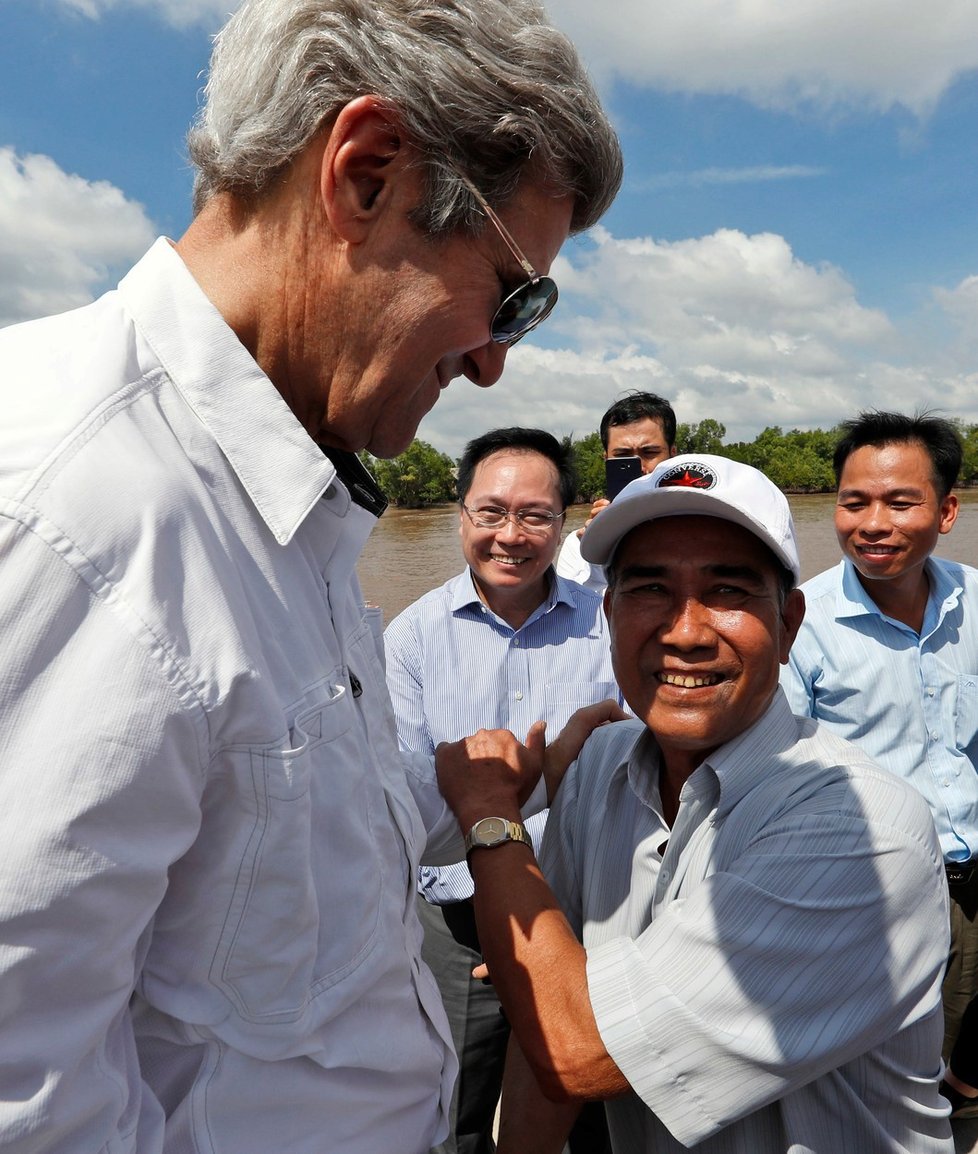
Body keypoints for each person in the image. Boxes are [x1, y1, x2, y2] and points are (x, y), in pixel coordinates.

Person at [0, 1, 623, 1149]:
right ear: (368, 173)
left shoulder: (291, 512)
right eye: (515, 292)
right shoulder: (74, 511)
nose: (494, 361)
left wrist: (488, 798)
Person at [435, 454, 953, 1153]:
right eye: (650, 589)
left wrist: (491, 816)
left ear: (791, 620)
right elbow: (544, 1020)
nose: (685, 631)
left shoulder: (864, 832)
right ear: (609, 613)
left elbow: (577, 1049)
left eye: (729, 591)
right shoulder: (597, 770)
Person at [385, 427, 620, 1154]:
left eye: (534, 515)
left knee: (599, 1110)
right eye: (489, 513)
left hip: (594, 914)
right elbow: (404, 814)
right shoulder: (411, 638)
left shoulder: (612, 624)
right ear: (459, 516)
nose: (509, 535)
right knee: (452, 1111)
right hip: (457, 924)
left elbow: (641, 784)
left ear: (566, 521)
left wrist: (500, 814)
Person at [779, 410, 978, 1121]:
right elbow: (781, 774)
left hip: (972, 887)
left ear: (948, 510)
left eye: (900, 502)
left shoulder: (975, 601)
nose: (872, 522)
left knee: (963, 1072)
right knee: (882, 1090)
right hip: (872, 896)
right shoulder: (803, 622)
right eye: (854, 501)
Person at [555, 391, 677, 592]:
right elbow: (573, 614)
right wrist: (601, 547)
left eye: (650, 453)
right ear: (606, 458)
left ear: (672, 454)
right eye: (623, 455)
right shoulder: (579, 544)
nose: (640, 467)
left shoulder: (702, 524)